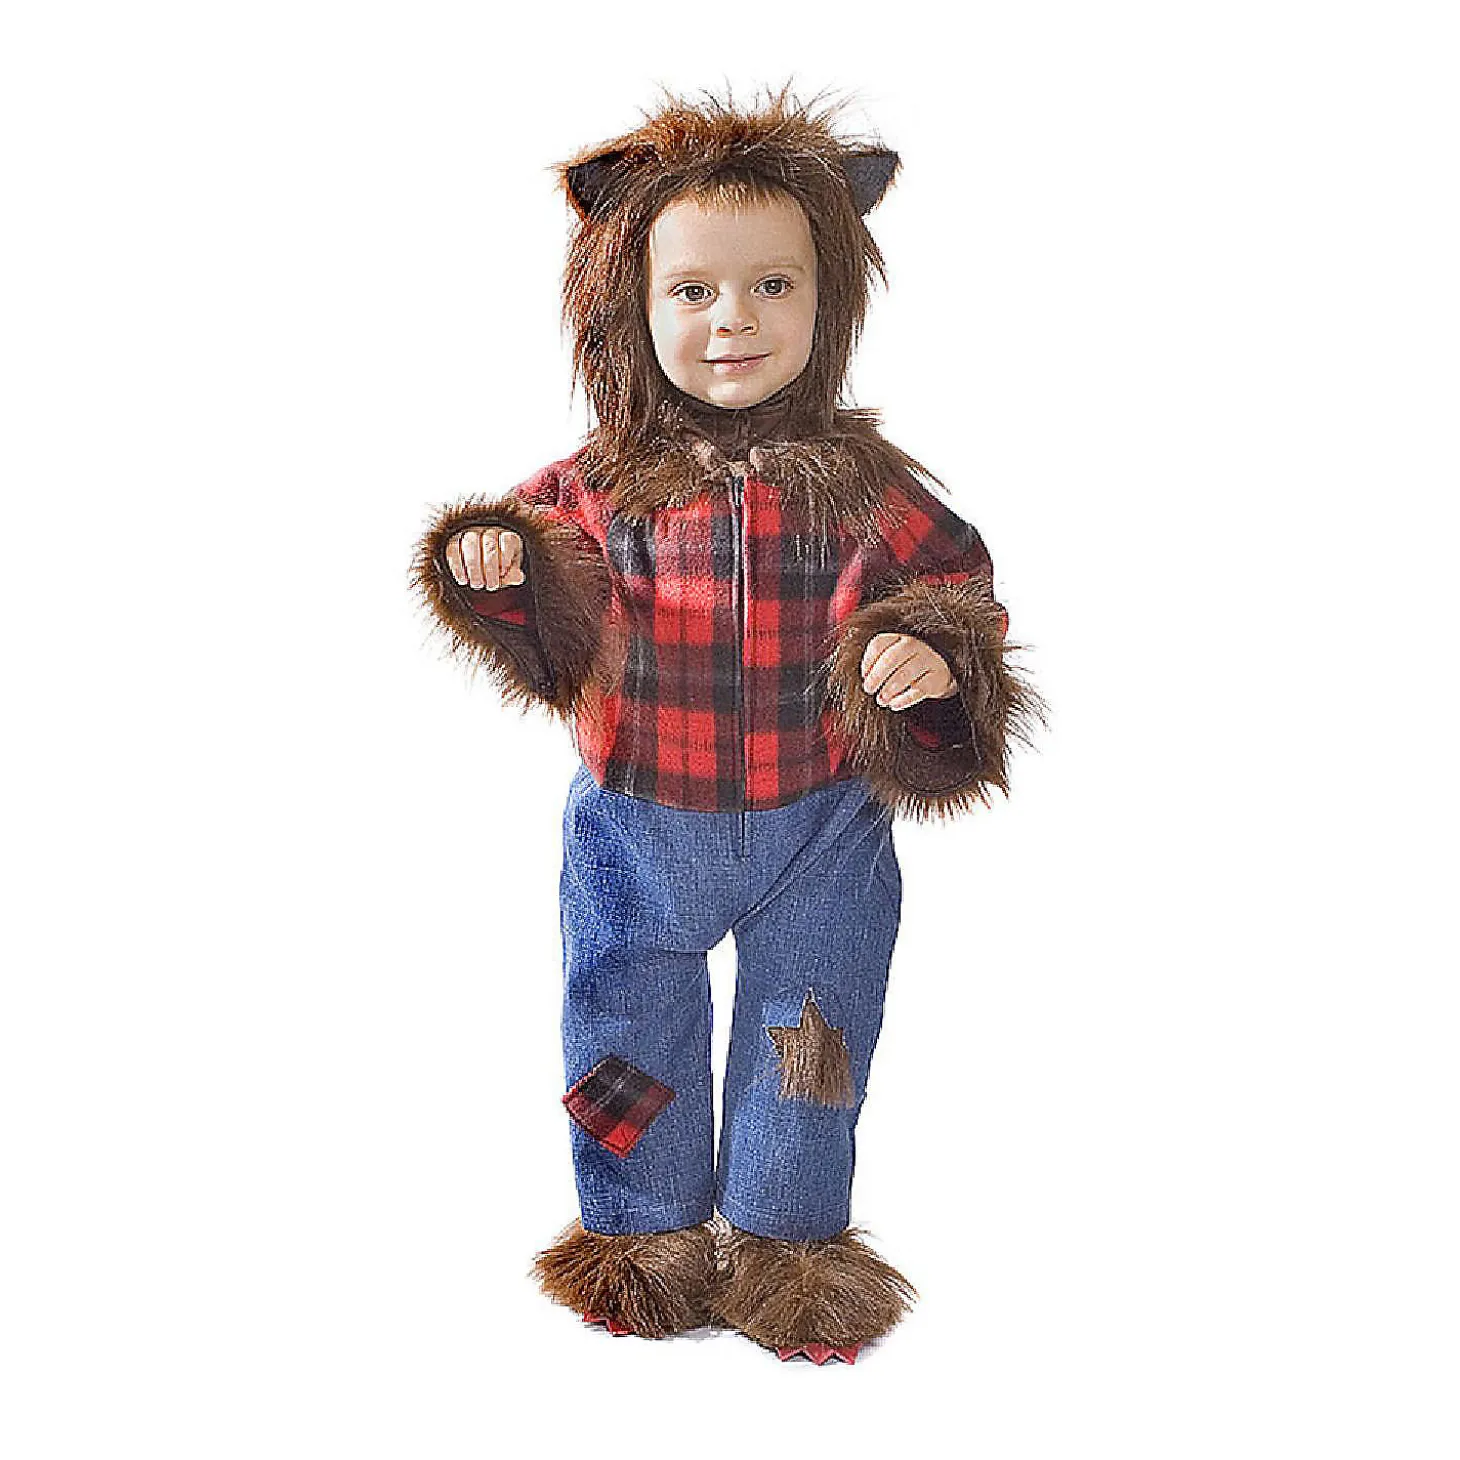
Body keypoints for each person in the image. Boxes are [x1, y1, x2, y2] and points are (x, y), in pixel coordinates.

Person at [411, 89, 1036, 1363]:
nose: (732, 319)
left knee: (811, 1033)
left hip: (822, 830)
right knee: (623, 1023)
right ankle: (638, 1230)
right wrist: (498, 571)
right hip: (640, 826)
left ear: (828, 296)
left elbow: (958, 584)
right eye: (691, 290)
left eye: (771, 285)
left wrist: (929, 653)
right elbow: (543, 606)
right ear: (628, 305)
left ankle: (788, 1243)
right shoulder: (595, 487)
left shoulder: (867, 491)